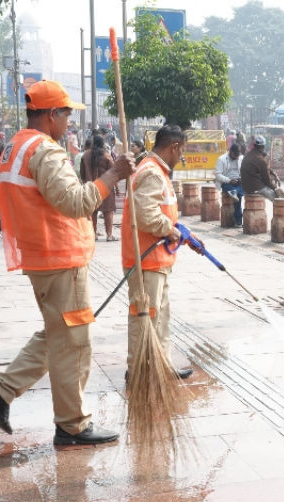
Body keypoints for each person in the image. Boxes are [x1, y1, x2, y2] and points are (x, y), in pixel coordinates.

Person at [0, 80, 134, 445]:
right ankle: (72, 424)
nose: (69, 121)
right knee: (74, 339)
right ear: (51, 114)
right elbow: (75, 202)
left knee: (58, 333)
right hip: (59, 256)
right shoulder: (46, 150)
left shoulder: (15, 146)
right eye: (67, 113)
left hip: (40, 256)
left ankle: (1, 391)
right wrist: (113, 174)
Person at [121, 124, 197, 381]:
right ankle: (138, 370)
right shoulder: (153, 172)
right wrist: (168, 230)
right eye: (182, 151)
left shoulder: (157, 171)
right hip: (146, 260)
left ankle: (161, 365)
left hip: (157, 260)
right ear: (173, 147)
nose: (181, 157)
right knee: (145, 317)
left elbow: (160, 210)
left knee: (159, 317)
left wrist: (183, 233)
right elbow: (145, 214)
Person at [81, 134, 117, 241]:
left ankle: (94, 234)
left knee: (93, 210)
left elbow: (82, 173)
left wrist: (85, 183)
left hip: (90, 186)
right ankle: (109, 235)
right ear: (103, 144)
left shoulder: (85, 155)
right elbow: (113, 171)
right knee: (108, 210)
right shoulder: (106, 155)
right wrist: (117, 187)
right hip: (106, 186)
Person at [240, 136, 283, 201]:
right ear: (263, 147)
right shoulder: (261, 161)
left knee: (269, 188)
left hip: (245, 187)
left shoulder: (248, 155)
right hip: (255, 188)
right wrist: (275, 188)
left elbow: (263, 167)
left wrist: (273, 173)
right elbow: (267, 181)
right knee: (277, 199)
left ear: (254, 145)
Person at [215, 143, 244, 228]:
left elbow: (245, 172)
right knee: (238, 195)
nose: (236, 157)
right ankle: (238, 221)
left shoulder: (241, 158)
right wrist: (229, 180)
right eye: (235, 154)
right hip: (227, 182)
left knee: (240, 190)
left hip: (238, 182)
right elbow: (218, 175)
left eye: (238, 155)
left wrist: (241, 178)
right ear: (230, 151)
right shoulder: (221, 159)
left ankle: (234, 192)